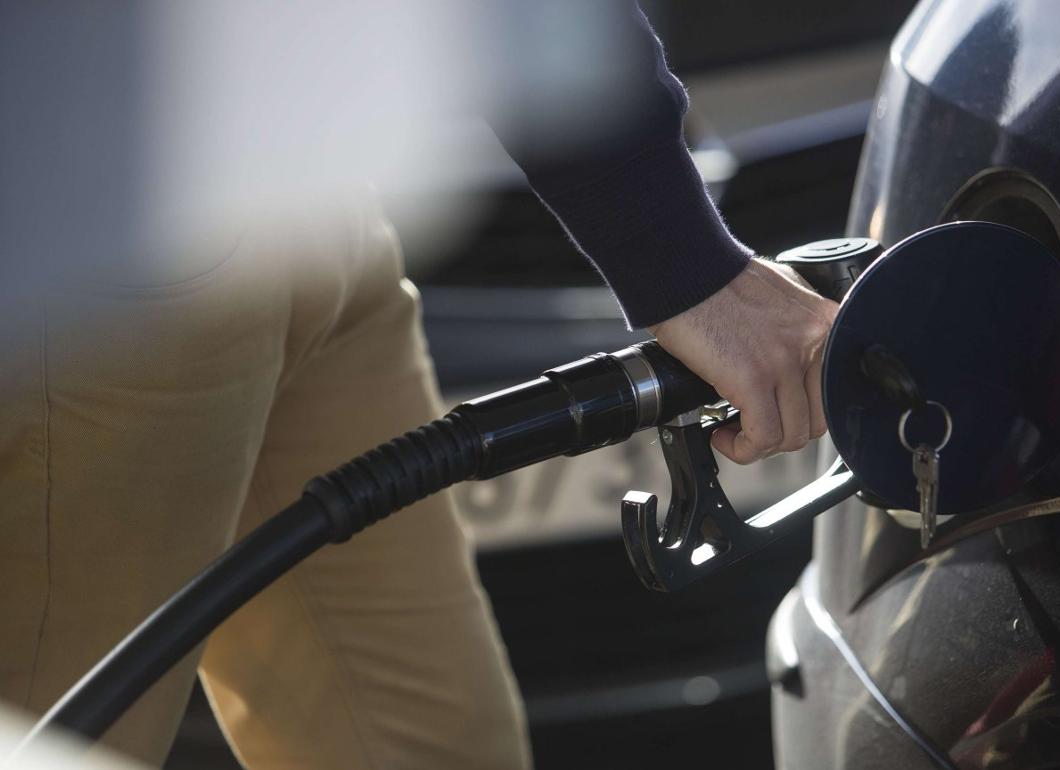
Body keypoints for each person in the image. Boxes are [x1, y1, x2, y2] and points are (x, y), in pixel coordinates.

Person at [0, 2, 838, 768]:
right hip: (115, 227)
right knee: (71, 739)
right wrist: (684, 261)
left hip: (311, 200)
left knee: (436, 749)